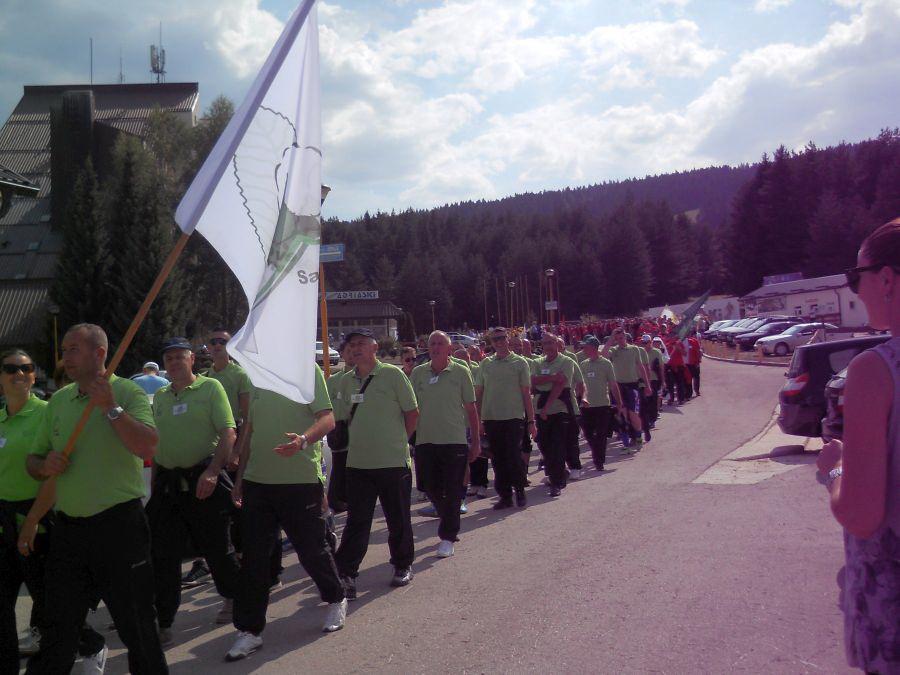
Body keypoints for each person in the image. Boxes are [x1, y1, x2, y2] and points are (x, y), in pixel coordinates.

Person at [23, 323, 167, 674]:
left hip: (119, 527)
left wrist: (111, 408)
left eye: (73, 349)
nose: (64, 357)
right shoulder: (58, 401)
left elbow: (147, 445)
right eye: (65, 350)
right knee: (58, 625)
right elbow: (33, 461)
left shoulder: (127, 392)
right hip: (70, 532)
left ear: (99, 353)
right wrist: (45, 464)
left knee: (137, 624)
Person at [816, 217, 900, 675]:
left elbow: (862, 516)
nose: (854, 290)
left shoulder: (876, 370)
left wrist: (834, 469)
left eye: (856, 277)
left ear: (886, 278)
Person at [226, 366, 346, 661]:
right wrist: (240, 479)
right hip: (258, 483)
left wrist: (303, 440)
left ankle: (335, 597)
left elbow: (328, 419)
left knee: (311, 550)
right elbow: (250, 432)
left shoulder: (305, 368)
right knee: (254, 558)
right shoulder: (255, 375)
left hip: (300, 481)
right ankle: (249, 631)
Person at [145, 338, 240, 645]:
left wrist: (214, 471)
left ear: (191, 360)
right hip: (169, 486)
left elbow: (228, 432)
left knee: (217, 548)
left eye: (179, 357)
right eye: (168, 358)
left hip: (204, 480)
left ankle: (234, 597)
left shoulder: (210, 388)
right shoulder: (159, 396)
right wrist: (155, 485)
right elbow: (158, 443)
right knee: (164, 555)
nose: (174, 362)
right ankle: (164, 619)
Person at [334, 330, 419, 595]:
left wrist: (399, 441)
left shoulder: (393, 375)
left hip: (392, 462)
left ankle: (402, 564)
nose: (356, 348)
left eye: (361, 344)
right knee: (357, 522)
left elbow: (412, 412)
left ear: (374, 347)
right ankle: (346, 573)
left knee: (398, 519)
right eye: (352, 345)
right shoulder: (345, 382)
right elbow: (340, 419)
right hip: (358, 464)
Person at [410, 332, 480, 557]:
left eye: (440, 344)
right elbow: (410, 409)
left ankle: (448, 536)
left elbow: (471, 409)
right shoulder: (419, 373)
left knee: (452, 491)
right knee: (429, 487)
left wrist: (476, 441)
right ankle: (449, 518)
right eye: (432, 344)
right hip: (425, 441)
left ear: (449, 348)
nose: (436, 347)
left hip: (453, 441)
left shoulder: (461, 371)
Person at [474, 327, 536, 509]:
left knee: (513, 455)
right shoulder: (485, 364)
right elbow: (479, 393)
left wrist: (531, 421)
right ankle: (505, 496)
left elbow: (526, 393)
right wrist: (478, 420)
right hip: (492, 418)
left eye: (502, 338)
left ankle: (520, 490)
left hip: (513, 417)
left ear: (508, 339)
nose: (499, 342)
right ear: (491, 343)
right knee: (498, 459)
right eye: (495, 340)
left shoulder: (520, 363)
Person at [532, 334, 575, 497]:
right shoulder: (537, 362)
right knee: (544, 445)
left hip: (558, 409)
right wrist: (551, 378)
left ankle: (557, 482)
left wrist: (546, 407)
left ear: (557, 344)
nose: (548, 346)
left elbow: (560, 385)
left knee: (557, 445)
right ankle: (556, 473)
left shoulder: (566, 361)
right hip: (540, 409)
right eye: (545, 344)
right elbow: (532, 381)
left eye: (551, 342)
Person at [577, 337, 625, 471]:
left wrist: (619, 402)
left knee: (601, 434)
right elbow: (580, 385)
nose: (583, 349)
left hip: (602, 405)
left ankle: (599, 460)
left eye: (585, 347)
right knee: (588, 433)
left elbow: (613, 385)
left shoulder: (606, 364)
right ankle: (596, 453)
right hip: (586, 406)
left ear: (593, 347)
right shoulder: (584, 364)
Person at [601, 327, 652, 452]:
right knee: (621, 414)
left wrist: (647, 385)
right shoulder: (614, 350)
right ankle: (625, 443)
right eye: (617, 339)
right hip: (618, 386)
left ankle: (638, 437)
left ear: (626, 337)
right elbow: (603, 354)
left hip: (632, 385)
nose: (620, 340)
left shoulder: (634, 349)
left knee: (633, 413)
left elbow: (641, 367)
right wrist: (611, 338)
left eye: (621, 337)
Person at [326, 341, 354, 514]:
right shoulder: (333, 381)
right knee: (339, 468)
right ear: (342, 354)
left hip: (361, 433)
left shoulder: (367, 377)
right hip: (340, 432)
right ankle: (336, 500)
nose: (352, 354)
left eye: (354, 350)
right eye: (348, 351)